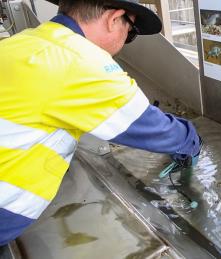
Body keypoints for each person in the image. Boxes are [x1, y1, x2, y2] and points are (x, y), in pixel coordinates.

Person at [0, 0, 201, 245]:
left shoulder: (22, 41)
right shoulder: (80, 60)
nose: (126, 41)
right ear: (114, 18)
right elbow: (155, 129)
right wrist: (192, 140)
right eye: (131, 33)